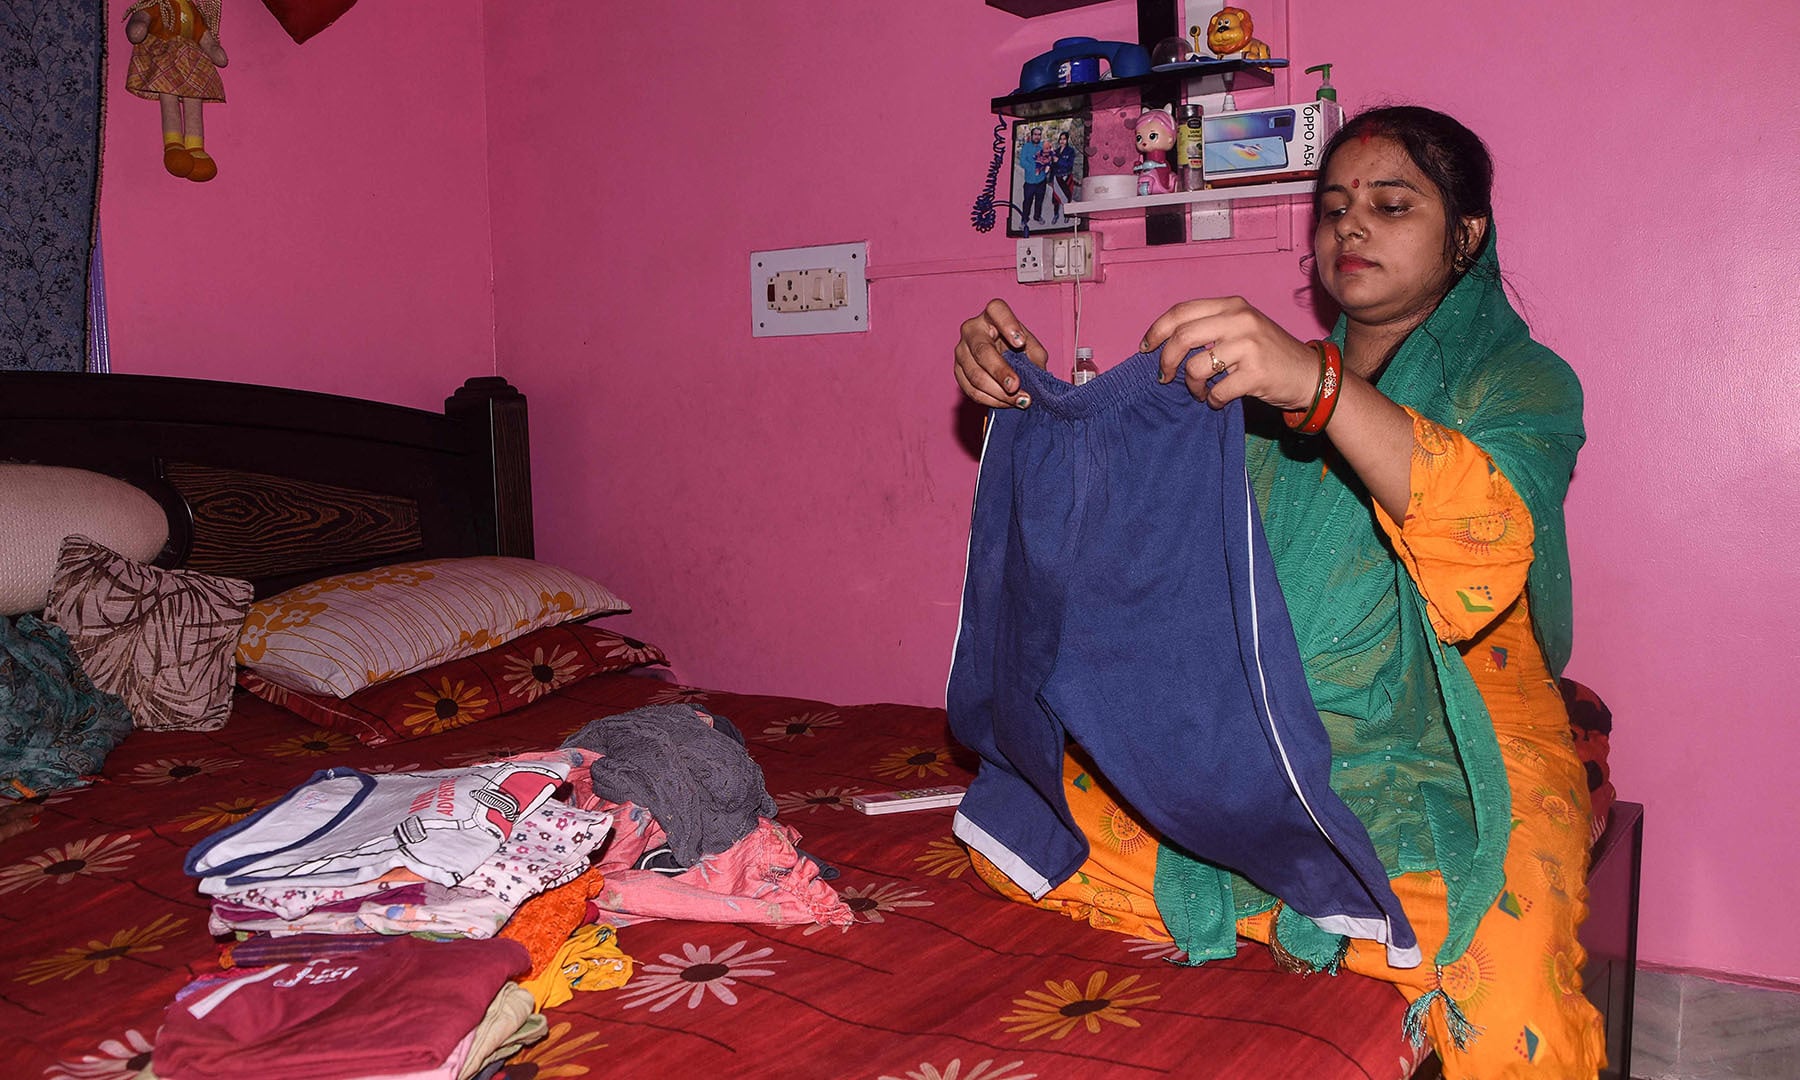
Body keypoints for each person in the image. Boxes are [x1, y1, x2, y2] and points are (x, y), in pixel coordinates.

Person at [951, 106, 1604, 1080]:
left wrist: (1322, 389)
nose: (1350, 227)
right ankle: (1328, 912)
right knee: (1025, 826)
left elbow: (1491, 524)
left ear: (1467, 235)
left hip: (1464, 715)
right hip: (1278, 705)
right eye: (1333, 206)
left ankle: (1329, 906)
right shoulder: (1262, 382)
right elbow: (1155, 545)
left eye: (1391, 204)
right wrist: (1031, 403)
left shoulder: (1521, 382)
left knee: (1505, 958)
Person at [1018, 127, 1050, 227]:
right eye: (1035, 134)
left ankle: (1037, 216)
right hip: (1030, 182)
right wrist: (1035, 168)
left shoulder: (1043, 146)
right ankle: (1024, 219)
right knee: (1027, 201)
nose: (1037, 136)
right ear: (1031, 136)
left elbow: (1048, 158)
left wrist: (1046, 166)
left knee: (1039, 201)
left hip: (1041, 181)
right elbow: (1022, 162)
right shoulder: (1026, 147)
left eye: (1039, 134)